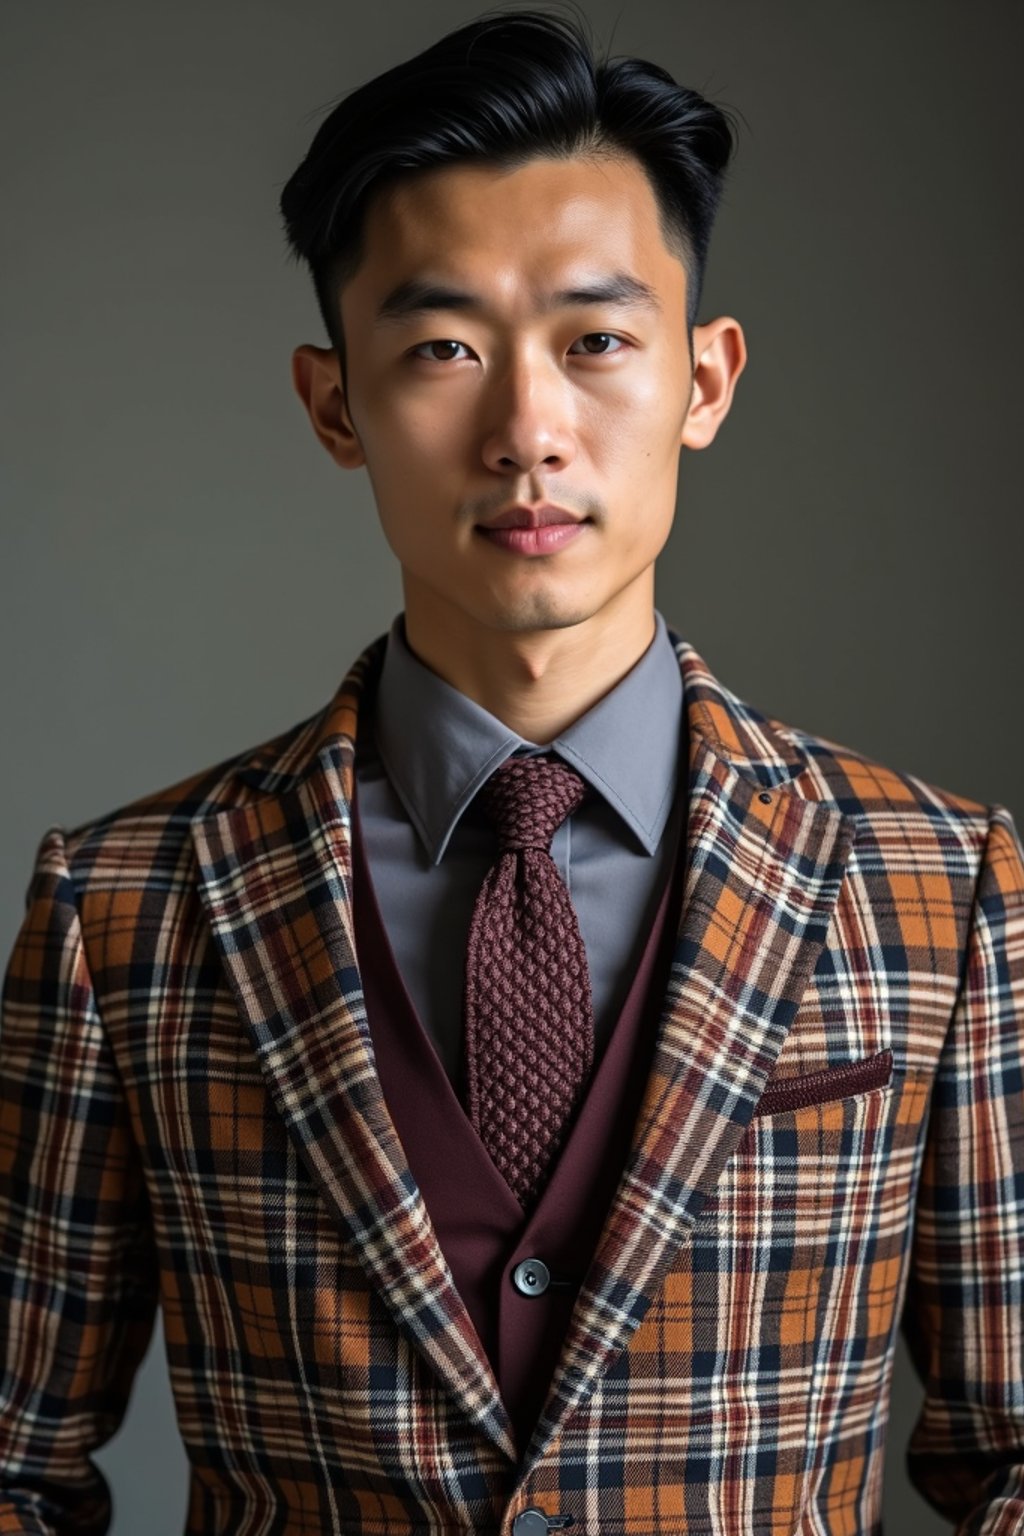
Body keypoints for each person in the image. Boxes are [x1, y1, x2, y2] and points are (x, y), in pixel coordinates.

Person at [1, 9, 1022, 1534]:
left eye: (599, 341)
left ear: (705, 379)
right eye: (442, 349)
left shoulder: (944, 887)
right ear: (336, 401)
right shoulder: (127, 909)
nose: (528, 429)